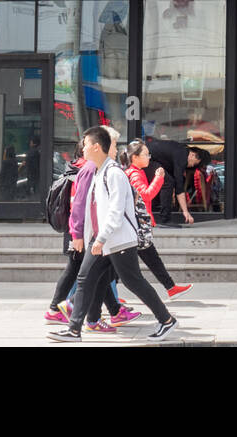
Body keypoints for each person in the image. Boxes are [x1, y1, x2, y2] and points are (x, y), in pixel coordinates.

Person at [49, 125, 179, 343]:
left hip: (118, 241)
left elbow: (116, 212)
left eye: (86, 143)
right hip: (102, 241)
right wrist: (89, 237)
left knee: (133, 281)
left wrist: (99, 238)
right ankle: (74, 330)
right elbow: (95, 211)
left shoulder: (114, 173)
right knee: (84, 279)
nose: (83, 147)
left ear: (97, 147)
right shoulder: (99, 172)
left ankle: (166, 320)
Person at [47, 133, 135, 330]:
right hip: (90, 235)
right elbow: (79, 204)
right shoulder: (89, 169)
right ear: (100, 146)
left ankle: (95, 316)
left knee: (96, 275)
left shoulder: (100, 169)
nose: (115, 149)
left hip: (96, 234)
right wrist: (77, 234)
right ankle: (72, 310)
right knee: (87, 275)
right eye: (113, 144)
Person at [122, 140, 192, 299]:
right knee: (117, 265)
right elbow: (147, 194)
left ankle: (171, 288)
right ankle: (109, 299)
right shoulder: (134, 174)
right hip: (137, 227)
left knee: (150, 260)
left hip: (137, 227)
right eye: (146, 155)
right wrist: (159, 178)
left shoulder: (136, 172)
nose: (149, 158)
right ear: (134, 158)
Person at [148, 138, 208, 227]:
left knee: (167, 181)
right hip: (147, 158)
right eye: (194, 164)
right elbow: (179, 187)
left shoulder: (180, 150)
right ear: (192, 154)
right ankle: (165, 220)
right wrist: (185, 212)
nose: (192, 166)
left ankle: (156, 212)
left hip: (149, 158)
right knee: (168, 182)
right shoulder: (182, 156)